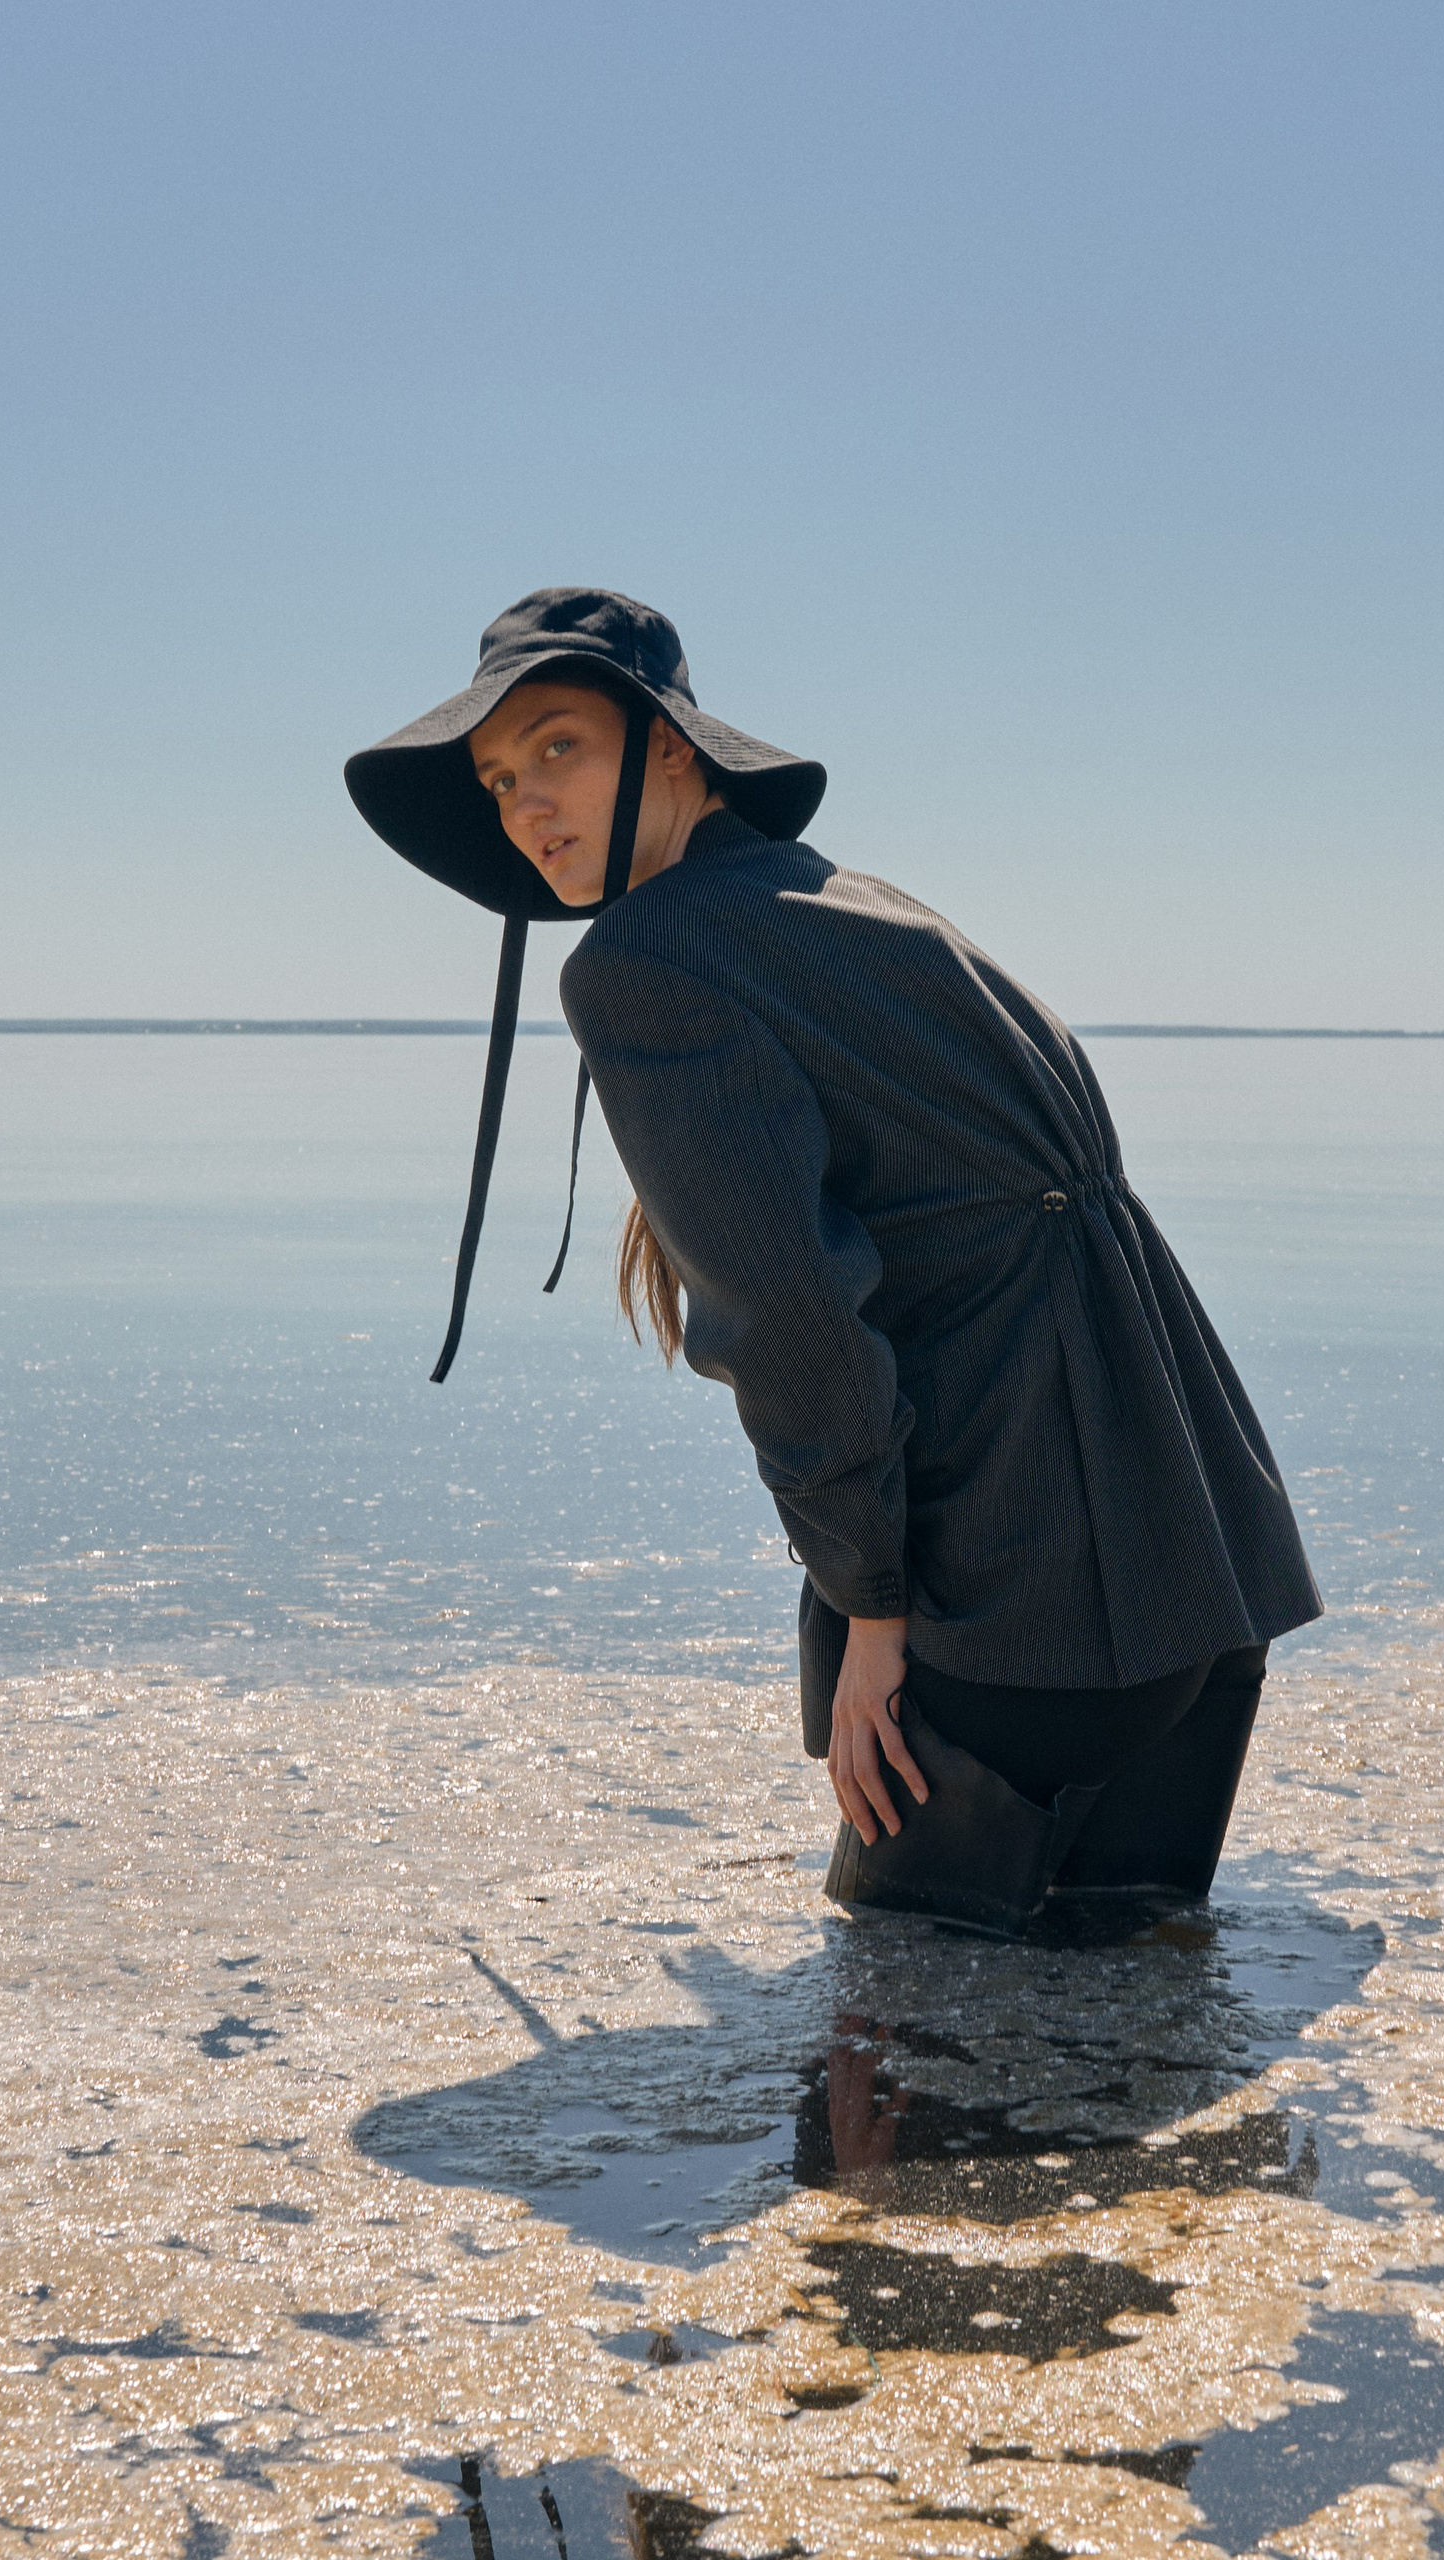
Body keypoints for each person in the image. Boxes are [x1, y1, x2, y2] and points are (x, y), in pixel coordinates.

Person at [346, 589, 1320, 1935]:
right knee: (1121, 2022)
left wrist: (872, 1618)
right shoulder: (853, 904)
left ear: (671, 749)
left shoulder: (647, 960)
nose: (523, 804)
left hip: (1014, 1611)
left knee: (893, 2096)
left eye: (556, 747)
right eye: (500, 776)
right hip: (1198, 1577)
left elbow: (795, 1320)